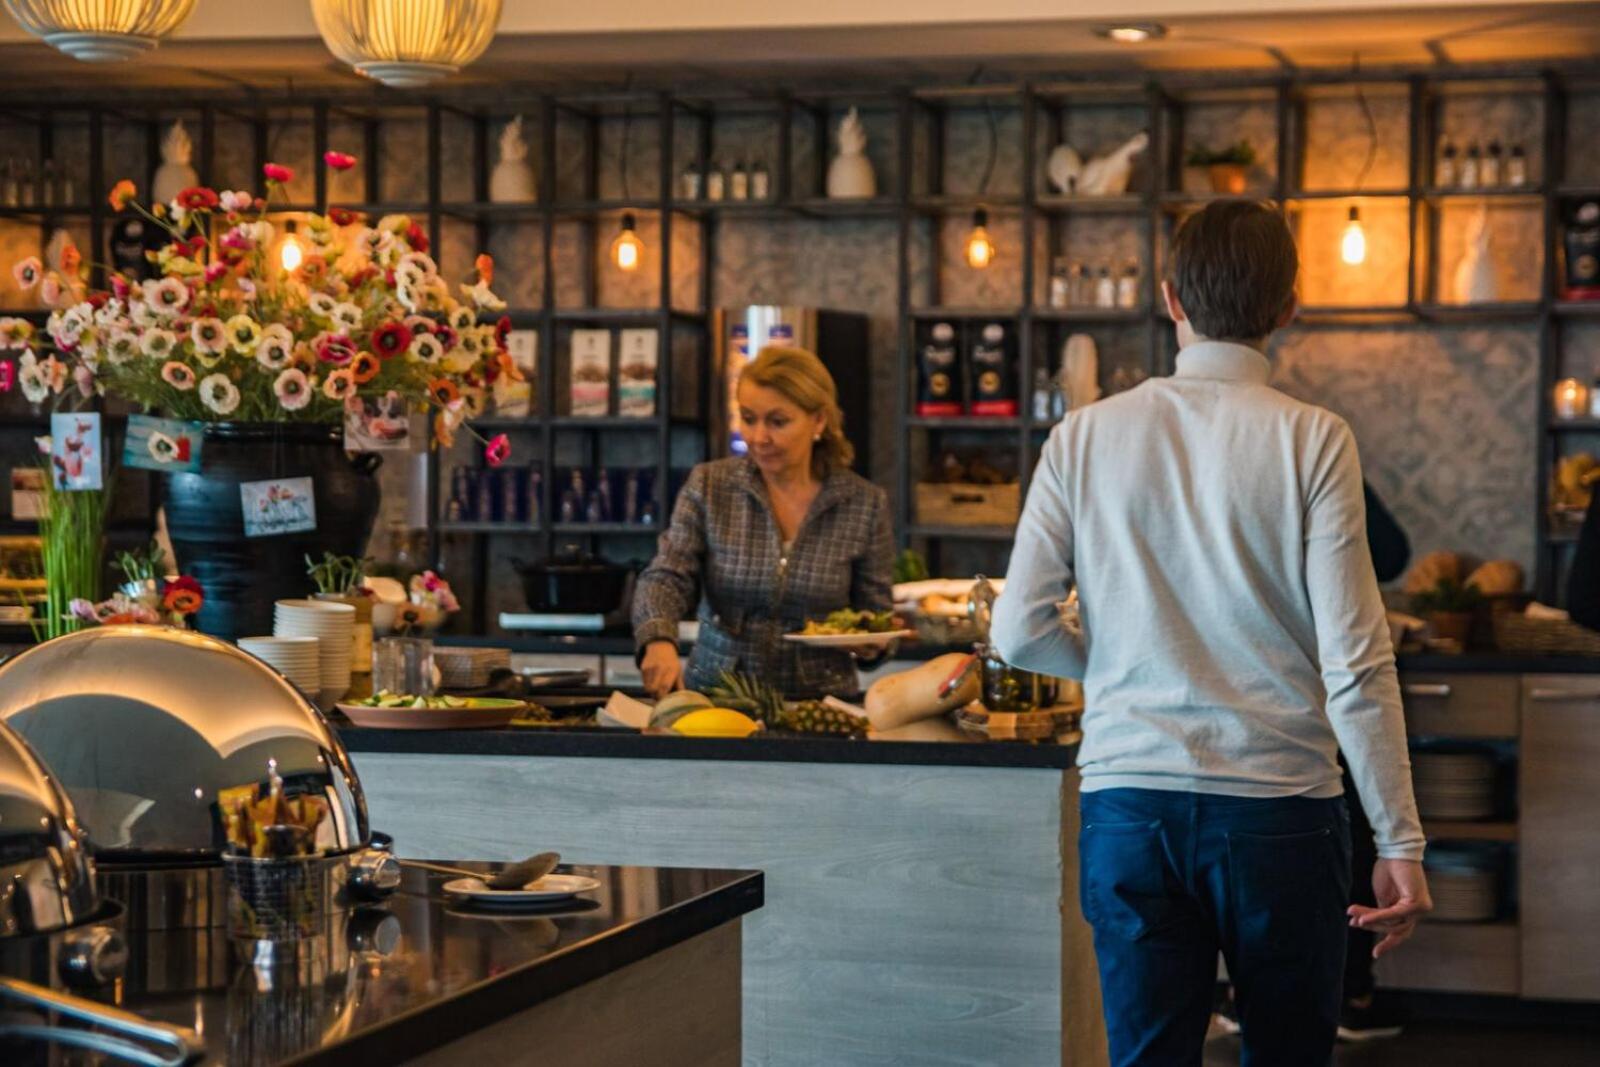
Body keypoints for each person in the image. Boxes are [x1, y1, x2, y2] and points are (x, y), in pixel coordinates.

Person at [991, 200, 1431, 1066]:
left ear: (1170, 298)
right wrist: (1400, 840)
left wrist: (1121, 662)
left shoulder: (1082, 436)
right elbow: (1356, 660)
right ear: (1289, 306)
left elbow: (1020, 629)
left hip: (1130, 804)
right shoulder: (1313, 437)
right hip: (1281, 810)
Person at [632, 345, 894, 698]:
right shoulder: (710, 486)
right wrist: (657, 637)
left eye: (777, 421)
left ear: (818, 420)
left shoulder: (863, 503)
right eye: (748, 418)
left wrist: (873, 644)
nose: (758, 437)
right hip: (717, 697)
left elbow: (876, 613)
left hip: (819, 704)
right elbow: (667, 575)